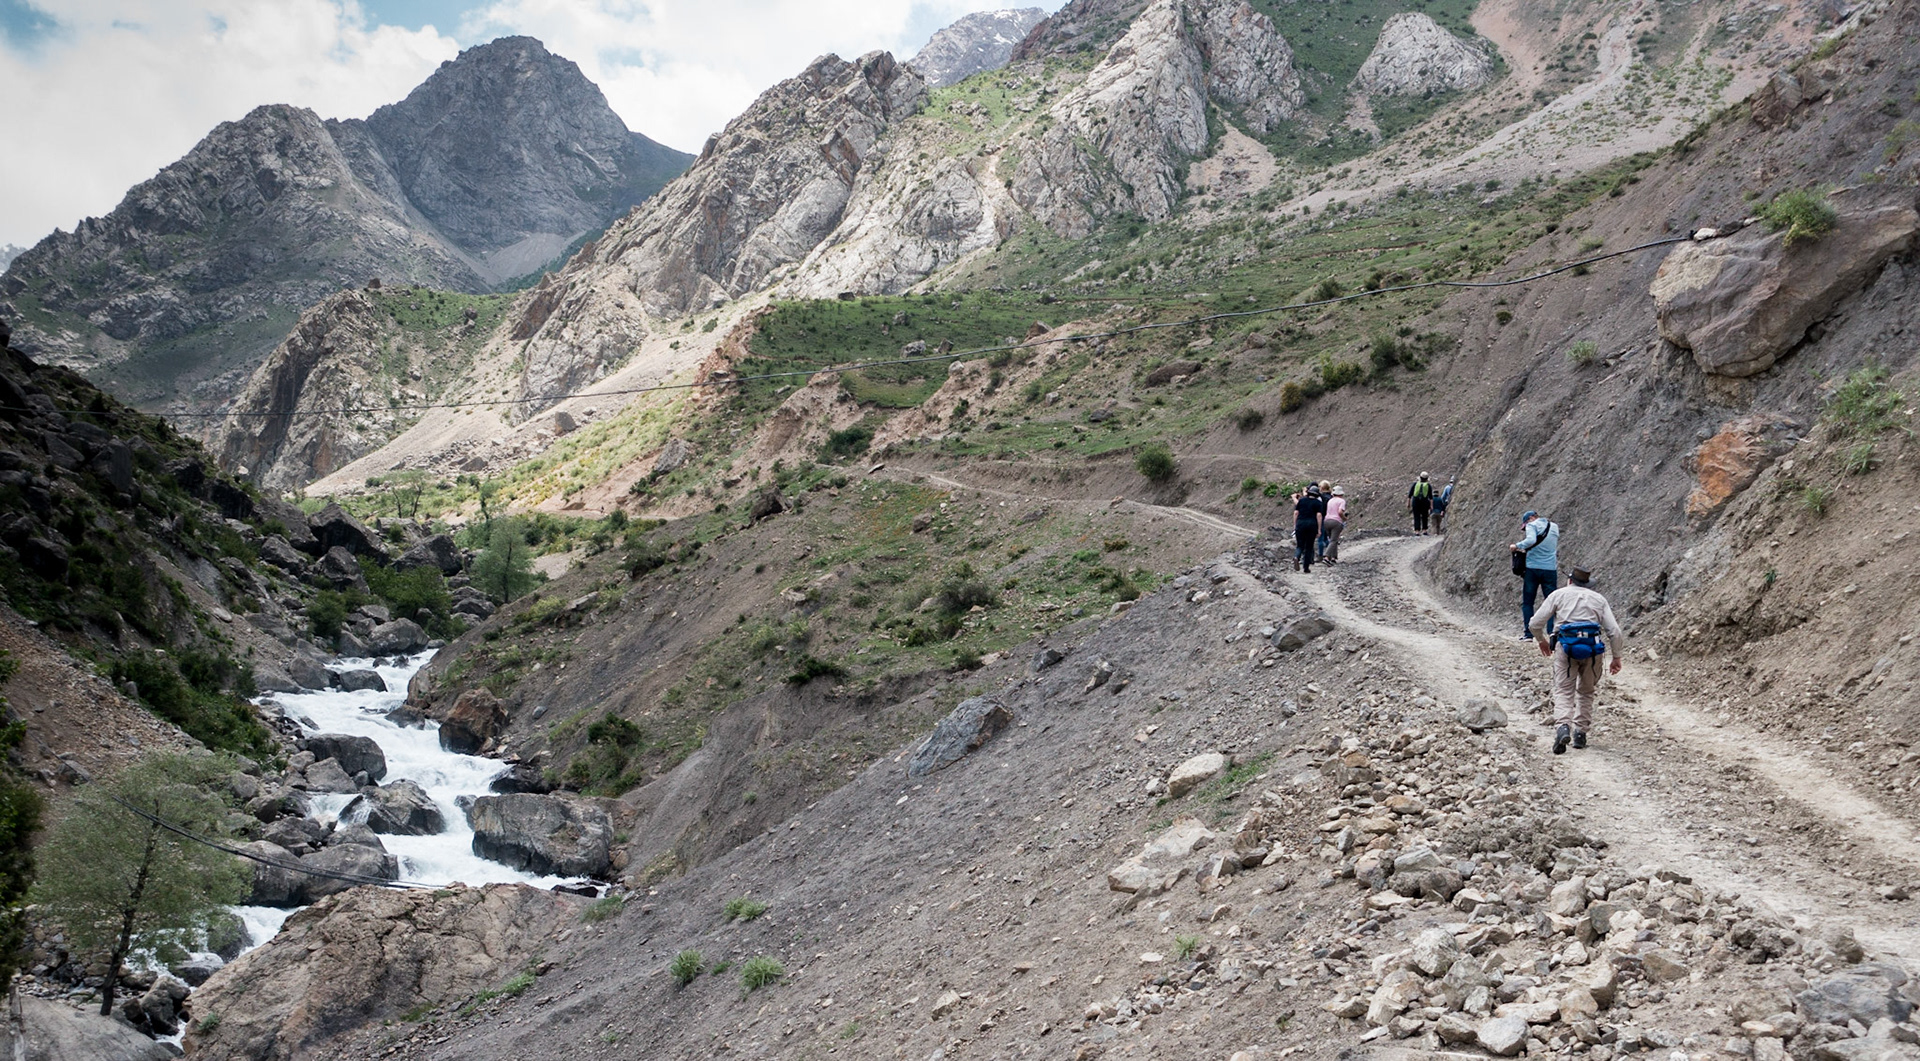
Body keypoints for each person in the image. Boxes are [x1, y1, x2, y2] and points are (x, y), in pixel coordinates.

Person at [1529, 566, 1624, 754]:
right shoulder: (1599, 599)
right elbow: (1614, 631)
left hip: (1565, 648)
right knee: (1586, 691)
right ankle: (1580, 733)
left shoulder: (1558, 595)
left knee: (1564, 690)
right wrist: (1616, 657)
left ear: (1570, 580)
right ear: (1588, 584)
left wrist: (1542, 640)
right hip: (1592, 649)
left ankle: (1563, 726)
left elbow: (1534, 623)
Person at [1510, 510, 1559, 640]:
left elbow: (1531, 540)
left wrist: (1517, 546)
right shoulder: (1554, 526)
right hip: (1550, 569)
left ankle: (1529, 633)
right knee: (1551, 601)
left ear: (1531, 518)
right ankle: (1551, 632)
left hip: (1532, 569)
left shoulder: (1532, 525)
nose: (1526, 528)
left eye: (1525, 525)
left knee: (1528, 602)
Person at [1293, 483, 1326, 574]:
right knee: (1309, 546)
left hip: (1301, 524)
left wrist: (1295, 525)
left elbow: (1296, 513)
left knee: (1300, 545)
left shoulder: (1301, 501)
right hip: (1312, 525)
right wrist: (1319, 529)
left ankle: (1296, 556)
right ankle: (1306, 567)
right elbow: (1319, 516)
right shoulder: (1318, 503)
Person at [1321, 486, 1348, 563]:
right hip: (1336, 522)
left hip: (1326, 521)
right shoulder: (1341, 501)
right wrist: (1344, 518)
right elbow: (1340, 511)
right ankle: (1326, 557)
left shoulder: (1330, 501)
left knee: (1331, 539)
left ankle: (1333, 557)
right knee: (1334, 540)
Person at [1314, 480, 1334, 559]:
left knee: (1321, 538)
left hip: (1323, 517)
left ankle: (1321, 555)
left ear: (1322, 487)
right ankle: (1330, 553)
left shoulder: (1323, 497)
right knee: (1326, 538)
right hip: (1330, 517)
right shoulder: (1331, 497)